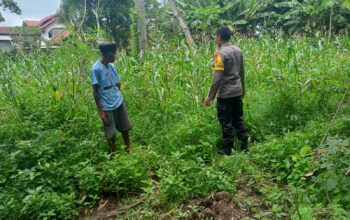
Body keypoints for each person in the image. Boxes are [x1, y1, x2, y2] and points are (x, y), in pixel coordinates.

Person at [204, 26, 249, 155]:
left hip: (225, 94)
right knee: (238, 119)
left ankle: (228, 149)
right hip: (237, 91)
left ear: (219, 37)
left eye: (215, 36)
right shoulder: (238, 51)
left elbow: (217, 78)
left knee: (226, 122)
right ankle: (244, 146)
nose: (214, 39)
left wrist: (210, 97)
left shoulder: (219, 54)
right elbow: (242, 73)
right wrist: (243, 91)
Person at [90, 43, 132, 154]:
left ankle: (128, 151)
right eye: (115, 54)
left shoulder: (112, 67)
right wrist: (101, 111)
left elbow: (118, 83)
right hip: (106, 106)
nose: (115, 56)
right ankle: (113, 154)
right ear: (109, 54)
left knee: (125, 127)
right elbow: (95, 91)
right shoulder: (96, 69)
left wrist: (118, 95)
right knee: (111, 133)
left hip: (118, 102)